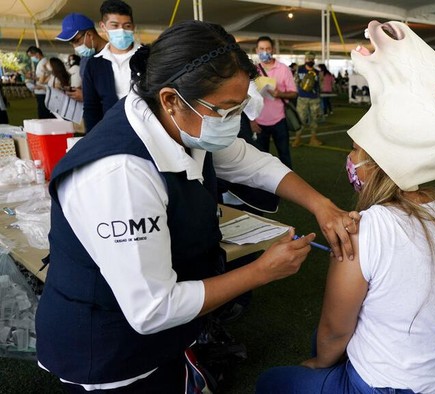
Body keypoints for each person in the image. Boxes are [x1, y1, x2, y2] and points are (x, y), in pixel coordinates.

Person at [35, 20, 359, 392]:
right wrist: (261, 272)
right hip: (109, 350)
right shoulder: (120, 174)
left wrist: (322, 205)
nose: (233, 121)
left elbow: (252, 162)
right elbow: (153, 309)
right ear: (172, 99)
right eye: (225, 109)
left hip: (166, 337)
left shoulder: (181, 121)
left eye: (239, 107)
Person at [256, 19, 435, 394]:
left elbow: (335, 330)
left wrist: (319, 363)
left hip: (385, 387)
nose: (350, 157)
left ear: (374, 165)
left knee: (272, 382)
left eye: (356, 150)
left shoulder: (366, 229)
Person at [82, 0, 140, 132]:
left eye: (127, 26)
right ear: (103, 26)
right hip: (111, 130)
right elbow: (91, 107)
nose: (122, 31)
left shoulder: (147, 58)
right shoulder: (95, 65)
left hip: (146, 131)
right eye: (115, 26)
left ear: (133, 27)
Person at [252, 35, 296, 169]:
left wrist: (279, 94)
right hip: (258, 123)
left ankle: (289, 187)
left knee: (284, 156)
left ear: (273, 50)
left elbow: (294, 93)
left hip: (279, 120)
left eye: (268, 48)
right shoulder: (253, 70)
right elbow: (247, 99)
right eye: (261, 49)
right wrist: (251, 121)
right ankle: (264, 188)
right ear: (256, 50)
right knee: (261, 158)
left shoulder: (283, 69)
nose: (265, 52)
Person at [55, 12, 108, 102]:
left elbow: (118, 94)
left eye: (76, 41)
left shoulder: (113, 56)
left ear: (90, 35)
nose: (75, 47)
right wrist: (78, 90)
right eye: (71, 43)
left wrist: (87, 97)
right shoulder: (85, 58)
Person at [293, 52, 323, 147]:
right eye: (308, 59)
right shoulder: (299, 69)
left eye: (311, 59)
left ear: (314, 60)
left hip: (314, 99)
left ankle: (313, 138)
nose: (309, 61)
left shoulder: (317, 72)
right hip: (302, 98)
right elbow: (295, 81)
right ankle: (298, 138)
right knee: (301, 118)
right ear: (305, 59)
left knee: (314, 119)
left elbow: (320, 86)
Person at [25, 46, 52, 119]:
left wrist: (32, 78)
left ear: (37, 54)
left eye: (31, 56)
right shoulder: (41, 62)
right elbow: (41, 77)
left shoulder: (45, 62)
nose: (31, 58)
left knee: (45, 114)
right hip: (40, 91)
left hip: (43, 92)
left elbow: (47, 77)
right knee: (42, 113)